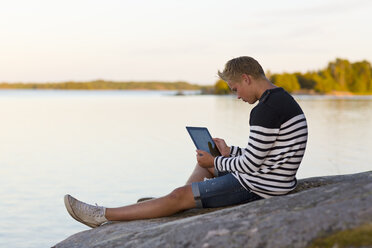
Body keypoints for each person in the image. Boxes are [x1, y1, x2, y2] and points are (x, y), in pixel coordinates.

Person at [64, 56, 308, 228]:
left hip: (261, 187)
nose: (237, 96)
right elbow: (268, 153)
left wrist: (218, 160)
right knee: (204, 166)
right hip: (274, 180)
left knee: (182, 192)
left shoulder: (264, 110)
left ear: (246, 78)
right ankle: (173, 203)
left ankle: (103, 215)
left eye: (235, 89)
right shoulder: (281, 99)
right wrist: (228, 151)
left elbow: (252, 164)